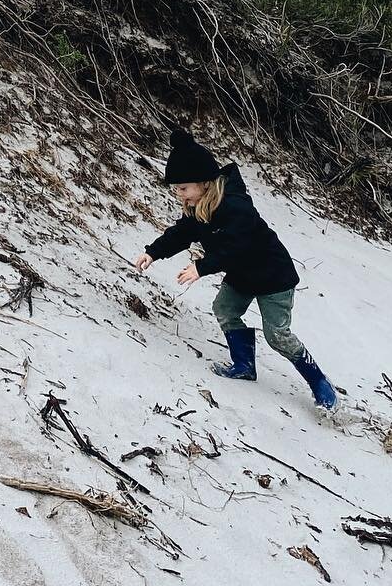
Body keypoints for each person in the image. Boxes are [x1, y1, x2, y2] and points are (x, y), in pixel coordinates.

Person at [134, 128, 338, 411]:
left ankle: (319, 382)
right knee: (225, 309)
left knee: (277, 336)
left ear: (204, 183)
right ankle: (243, 365)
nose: (180, 196)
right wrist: (153, 252)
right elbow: (182, 233)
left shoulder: (236, 206)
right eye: (176, 190)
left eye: (183, 188)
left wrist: (201, 267)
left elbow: (236, 247)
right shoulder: (198, 207)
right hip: (242, 276)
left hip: (273, 277)